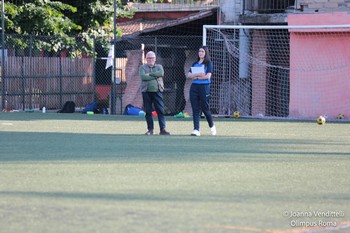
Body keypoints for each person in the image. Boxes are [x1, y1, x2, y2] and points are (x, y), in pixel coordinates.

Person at [187, 46, 216, 136]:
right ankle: (196, 129)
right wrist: (198, 74)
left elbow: (207, 76)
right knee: (195, 109)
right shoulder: (195, 63)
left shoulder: (208, 63)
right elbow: (189, 75)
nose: (200, 53)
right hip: (194, 87)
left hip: (204, 87)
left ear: (206, 53)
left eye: (202, 51)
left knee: (205, 108)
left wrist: (197, 77)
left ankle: (212, 126)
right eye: (199, 51)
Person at [139, 51, 170, 135]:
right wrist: (155, 76)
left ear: (155, 59)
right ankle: (150, 129)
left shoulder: (159, 66)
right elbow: (143, 77)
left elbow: (161, 73)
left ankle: (162, 129)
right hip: (146, 92)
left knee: (160, 110)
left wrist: (150, 74)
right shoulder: (142, 67)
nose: (150, 59)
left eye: (152, 58)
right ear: (146, 59)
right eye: (148, 58)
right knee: (148, 111)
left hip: (157, 91)